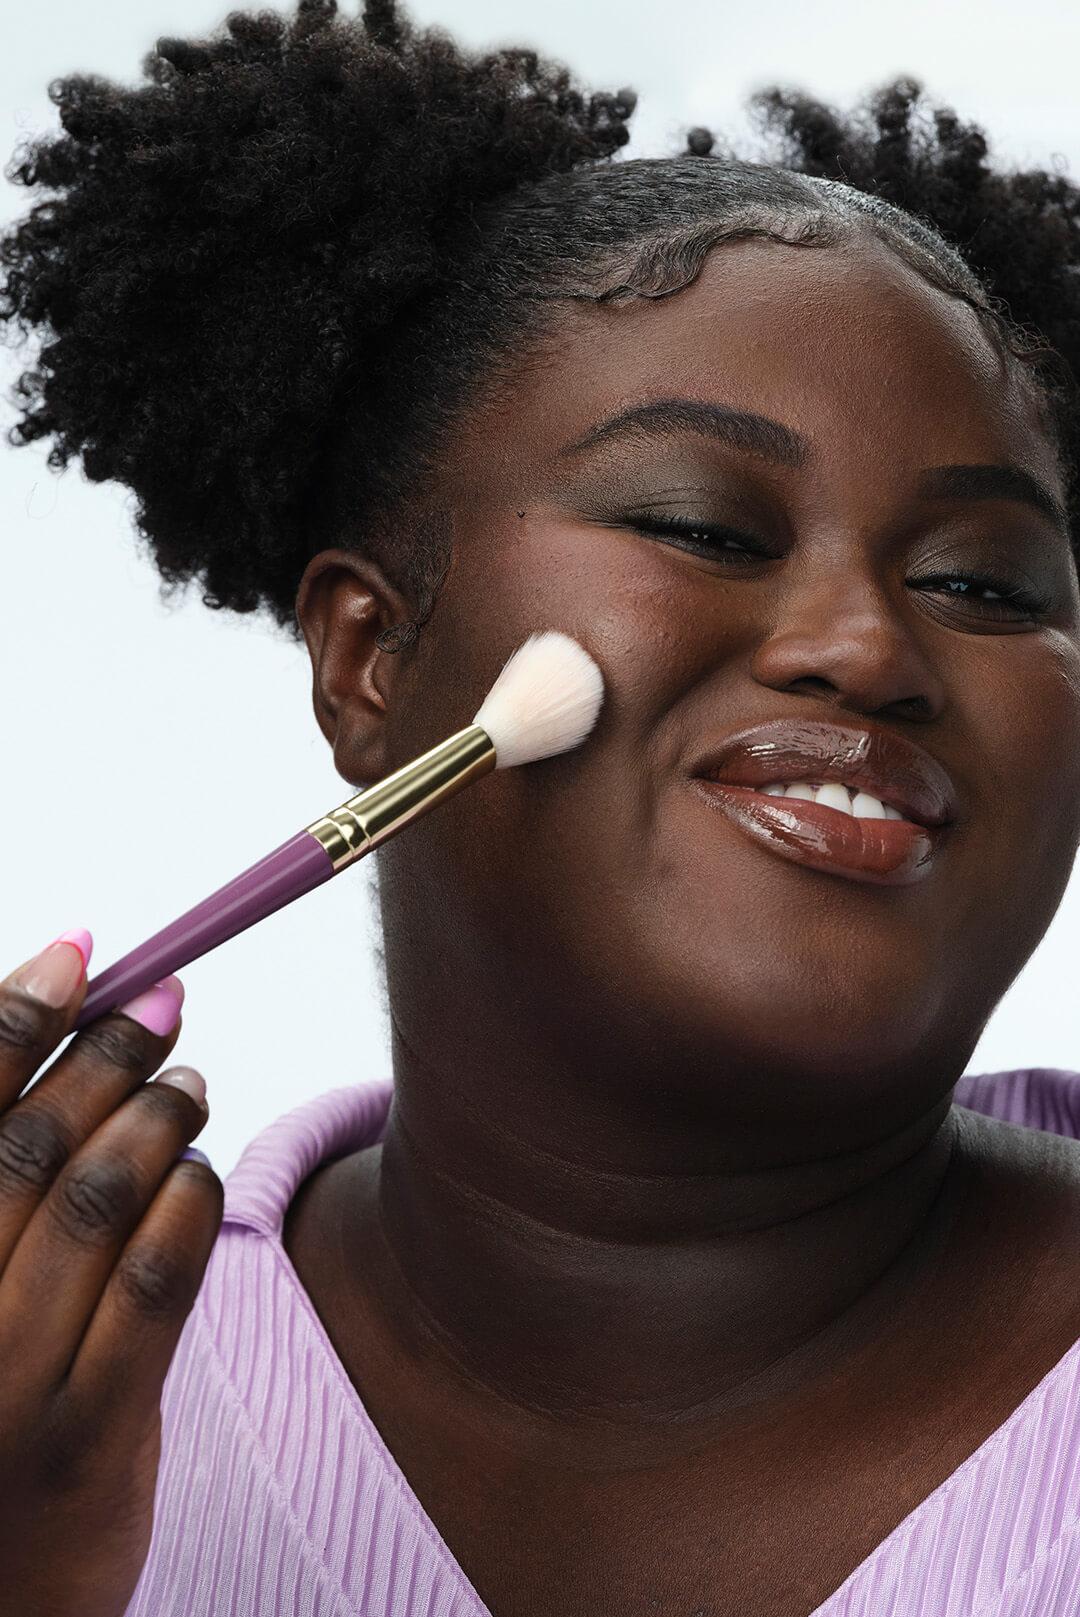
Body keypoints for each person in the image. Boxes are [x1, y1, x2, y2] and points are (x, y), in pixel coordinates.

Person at [2, 1, 1080, 1612]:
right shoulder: (71, 1386)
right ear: (373, 657)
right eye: (706, 527)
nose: (869, 646)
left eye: (984, 580)